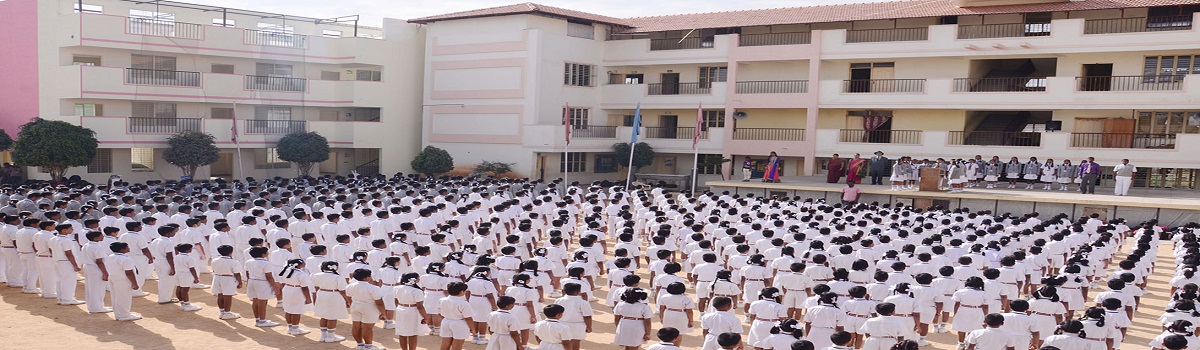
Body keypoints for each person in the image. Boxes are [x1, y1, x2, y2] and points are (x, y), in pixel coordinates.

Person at [347, 268, 386, 350]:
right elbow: (379, 302)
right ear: (366, 277)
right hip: (369, 308)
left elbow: (348, 297)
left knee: (356, 326)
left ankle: (360, 345)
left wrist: (352, 304)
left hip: (355, 306)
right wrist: (383, 313)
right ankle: (368, 346)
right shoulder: (374, 288)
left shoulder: (350, 286)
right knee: (367, 328)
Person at [313, 261, 349, 343]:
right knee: (332, 316)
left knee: (323, 315)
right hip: (333, 295)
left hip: (321, 294)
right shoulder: (338, 277)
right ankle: (330, 337)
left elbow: (316, 287)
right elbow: (343, 290)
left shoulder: (316, 275)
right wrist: (347, 300)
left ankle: (323, 336)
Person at [104, 241, 141, 321]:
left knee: (116, 296)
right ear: (122, 249)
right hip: (123, 279)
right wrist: (135, 283)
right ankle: (124, 315)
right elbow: (129, 273)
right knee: (124, 297)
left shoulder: (110, 256)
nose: (129, 248)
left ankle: (118, 314)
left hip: (113, 277)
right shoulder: (126, 259)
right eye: (127, 247)